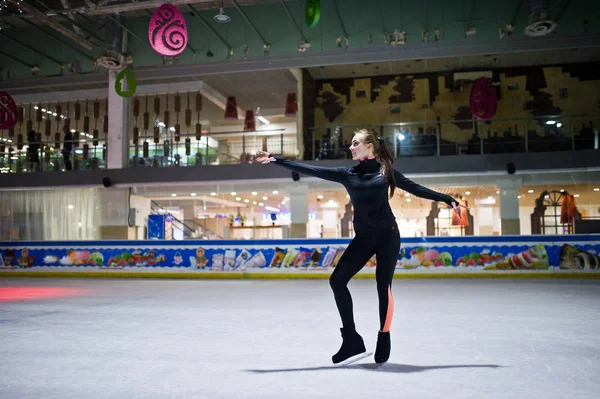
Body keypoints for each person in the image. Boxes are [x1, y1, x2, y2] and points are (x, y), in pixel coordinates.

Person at [256, 128, 465, 366]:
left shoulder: (387, 172)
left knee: (382, 286)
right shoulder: (347, 173)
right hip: (364, 237)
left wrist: (448, 200)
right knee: (337, 280)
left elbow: (416, 188)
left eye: (355, 143)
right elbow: (311, 169)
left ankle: (383, 336)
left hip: (388, 235)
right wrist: (276, 159)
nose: (351, 147)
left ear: (369, 147)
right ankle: (352, 339)